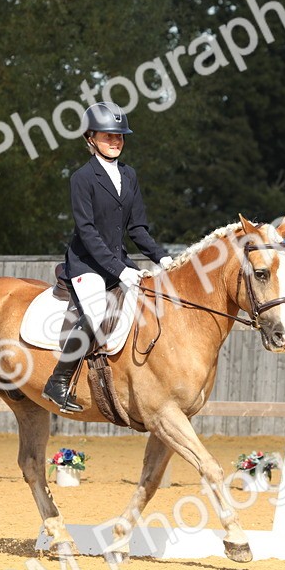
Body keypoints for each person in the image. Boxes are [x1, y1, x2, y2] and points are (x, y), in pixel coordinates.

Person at [42, 102, 173, 413]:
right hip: (86, 263)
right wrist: (120, 269)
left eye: (120, 136)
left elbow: (137, 228)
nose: (116, 141)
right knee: (98, 310)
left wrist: (163, 258)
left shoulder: (129, 176)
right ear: (90, 138)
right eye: (108, 136)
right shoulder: (82, 178)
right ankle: (57, 382)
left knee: (153, 300)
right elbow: (87, 232)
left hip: (119, 262)